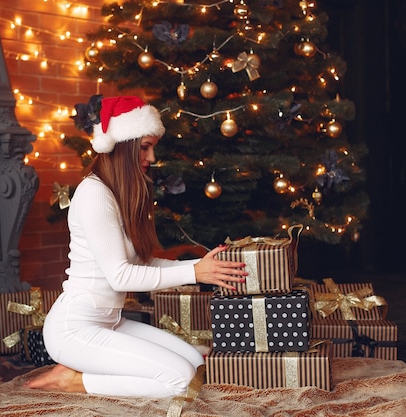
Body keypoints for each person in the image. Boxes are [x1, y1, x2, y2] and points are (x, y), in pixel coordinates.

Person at [24, 95, 247, 398]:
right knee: (181, 381)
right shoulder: (94, 194)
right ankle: (74, 380)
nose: (153, 158)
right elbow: (121, 277)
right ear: (122, 145)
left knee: (196, 364)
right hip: (74, 330)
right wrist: (194, 272)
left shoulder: (121, 194)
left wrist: (203, 269)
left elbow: (142, 265)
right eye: (145, 147)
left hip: (109, 322)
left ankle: (85, 369)